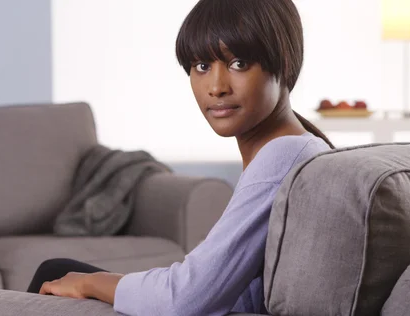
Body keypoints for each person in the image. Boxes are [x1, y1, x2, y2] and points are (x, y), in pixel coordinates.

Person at [27, 0, 335, 314]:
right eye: (202, 66)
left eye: (239, 63)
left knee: (56, 275)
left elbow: (186, 298)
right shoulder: (301, 146)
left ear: (284, 62)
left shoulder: (281, 155)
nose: (216, 87)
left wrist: (93, 283)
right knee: (60, 273)